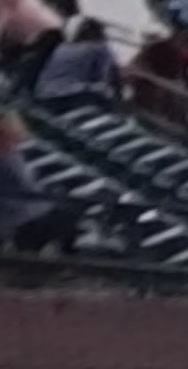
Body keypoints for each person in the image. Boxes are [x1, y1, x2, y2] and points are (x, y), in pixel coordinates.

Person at [0, 110, 83, 255]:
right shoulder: (7, 156)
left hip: (17, 206)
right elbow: (27, 187)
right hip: (17, 211)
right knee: (68, 213)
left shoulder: (12, 154)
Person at [33, 18, 122, 113]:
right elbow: (105, 79)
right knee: (105, 91)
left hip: (44, 97)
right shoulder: (100, 48)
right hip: (75, 97)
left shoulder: (61, 48)